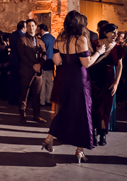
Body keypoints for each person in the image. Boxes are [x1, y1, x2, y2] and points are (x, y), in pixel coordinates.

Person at [42, 11, 105, 163]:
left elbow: (57, 62)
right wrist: (99, 52)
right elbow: (87, 63)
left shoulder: (60, 38)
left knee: (66, 110)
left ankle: (49, 138)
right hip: (79, 80)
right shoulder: (81, 39)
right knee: (83, 113)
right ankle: (79, 151)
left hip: (65, 79)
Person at [89, 24, 124, 145]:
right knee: (93, 107)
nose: (116, 35)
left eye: (116, 32)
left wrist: (116, 83)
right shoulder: (93, 44)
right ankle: (92, 132)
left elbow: (119, 66)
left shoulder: (117, 47)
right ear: (105, 32)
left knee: (106, 108)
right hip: (93, 81)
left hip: (109, 82)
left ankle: (103, 133)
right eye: (113, 32)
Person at [17, 19, 47, 123]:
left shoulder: (40, 40)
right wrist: (33, 65)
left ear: (36, 27)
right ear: (26, 27)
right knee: (24, 94)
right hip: (26, 71)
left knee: (37, 95)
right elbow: (22, 55)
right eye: (29, 26)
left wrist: (40, 64)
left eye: (33, 25)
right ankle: (22, 115)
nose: (31, 27)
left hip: (38, 72)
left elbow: (44, 53)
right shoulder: (22, 39)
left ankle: (36, 115)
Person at [8, 21, 26, 105]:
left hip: (12, 59)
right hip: (19, 61)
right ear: (23, 27)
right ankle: (18, 100)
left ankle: (12, 99)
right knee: (19, 81)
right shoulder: (22, 36)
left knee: (13, 80)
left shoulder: (12, 35)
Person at [38, 24, 55, 106]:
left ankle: (42, 101)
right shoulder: (53, 38)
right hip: (51, 62)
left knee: (43, 82)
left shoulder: (42, 39)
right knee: (50, 82)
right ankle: (49, 100)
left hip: (44, 62)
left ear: (42, 30)